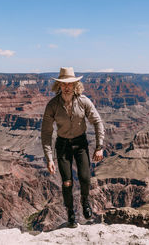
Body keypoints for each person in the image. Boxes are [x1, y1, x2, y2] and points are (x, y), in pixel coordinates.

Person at [41, 67, 105, 228]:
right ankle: (70, 212)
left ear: (75, 84)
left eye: (70, 83)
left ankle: (85, 201)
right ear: (59, 86)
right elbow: (46, 133)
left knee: (85, 178)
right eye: (63, 84)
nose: (67, 87)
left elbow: (97, 122)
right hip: (63, 146)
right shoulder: (52, 105)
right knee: (67, 182)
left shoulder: (84, 101)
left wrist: (100, 146)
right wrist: (49, 158)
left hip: (80, 144)